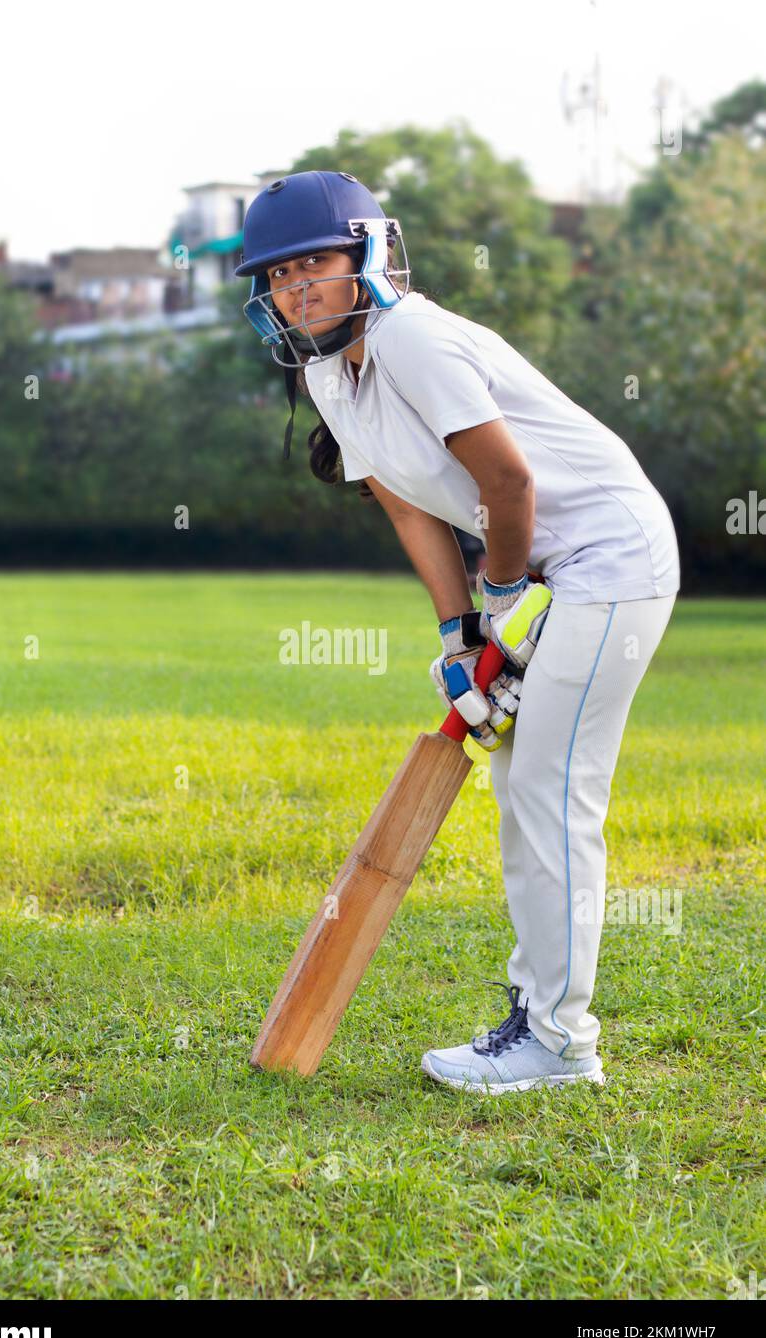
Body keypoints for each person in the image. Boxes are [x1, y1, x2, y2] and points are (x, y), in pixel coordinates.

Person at [235, 170, 680, 1097]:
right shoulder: (328, 373)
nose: (298, 288)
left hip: (607, 554)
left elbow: (509, 485)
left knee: (552, 792)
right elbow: (411, 513)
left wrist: (509, 594)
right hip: (541, 570)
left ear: (369, 255)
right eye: (278, 276)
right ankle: (543, 1025)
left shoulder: (413, 338)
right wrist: (459, 632)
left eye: (316, 262)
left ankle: (558, 1041)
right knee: (527, 789)